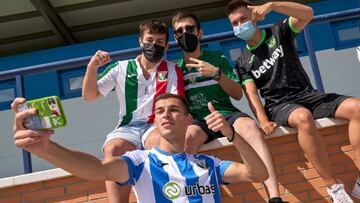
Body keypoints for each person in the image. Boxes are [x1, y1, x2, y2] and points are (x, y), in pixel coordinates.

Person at [11, 93, 269, 203]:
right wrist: (47, 148)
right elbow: (97, 169)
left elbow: (258, 174)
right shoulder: (140, 162)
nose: (166, 115)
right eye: (159, 111)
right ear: (154, 122)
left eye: (174, 110)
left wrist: (232, 135)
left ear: (189, 120)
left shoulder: (208, 164)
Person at [226, 0, 360, 202]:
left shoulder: (278, 31)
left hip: (308, 95)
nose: (239, 26)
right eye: (234, 23)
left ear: (253, 16)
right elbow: (252, 94)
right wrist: (263, 120)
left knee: (357, 108)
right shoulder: (242, 61)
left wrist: (272, 5)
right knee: (303, 117)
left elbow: (308, 13)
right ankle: (333, 187)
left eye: (243, 19)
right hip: (279, 106)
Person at [171, 11, 285, 203]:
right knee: (186, 140)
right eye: (179, 31)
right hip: (200, 121)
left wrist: (216, 74)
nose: (185, 33)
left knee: (250, 128)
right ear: (175, 38)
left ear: (200, 33)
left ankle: (275, 198)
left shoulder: (217, 58)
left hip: (227, 114)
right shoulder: (176, 69)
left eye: (189, 29)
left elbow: (237, 94)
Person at [82, 19, 184, 202]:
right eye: (149, 40)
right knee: (113, 149)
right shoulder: (120, 68)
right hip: (127, 128)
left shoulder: (172, 69)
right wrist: (92, 67)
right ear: (140, 41)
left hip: (155, 126)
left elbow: (178, 103)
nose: (154, 45)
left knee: (162, 143)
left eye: (159, 42)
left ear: (167, 45)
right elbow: (89, 95)